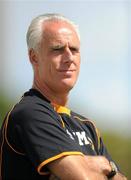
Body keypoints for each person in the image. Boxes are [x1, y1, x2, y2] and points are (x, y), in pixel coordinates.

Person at [0, 13, 127, 180]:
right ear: (34, 57)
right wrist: (102, 168)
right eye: (57, 49)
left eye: (74, 49)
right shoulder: (29, 113)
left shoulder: (87, 126)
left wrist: (105, 167)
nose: (69, 58)